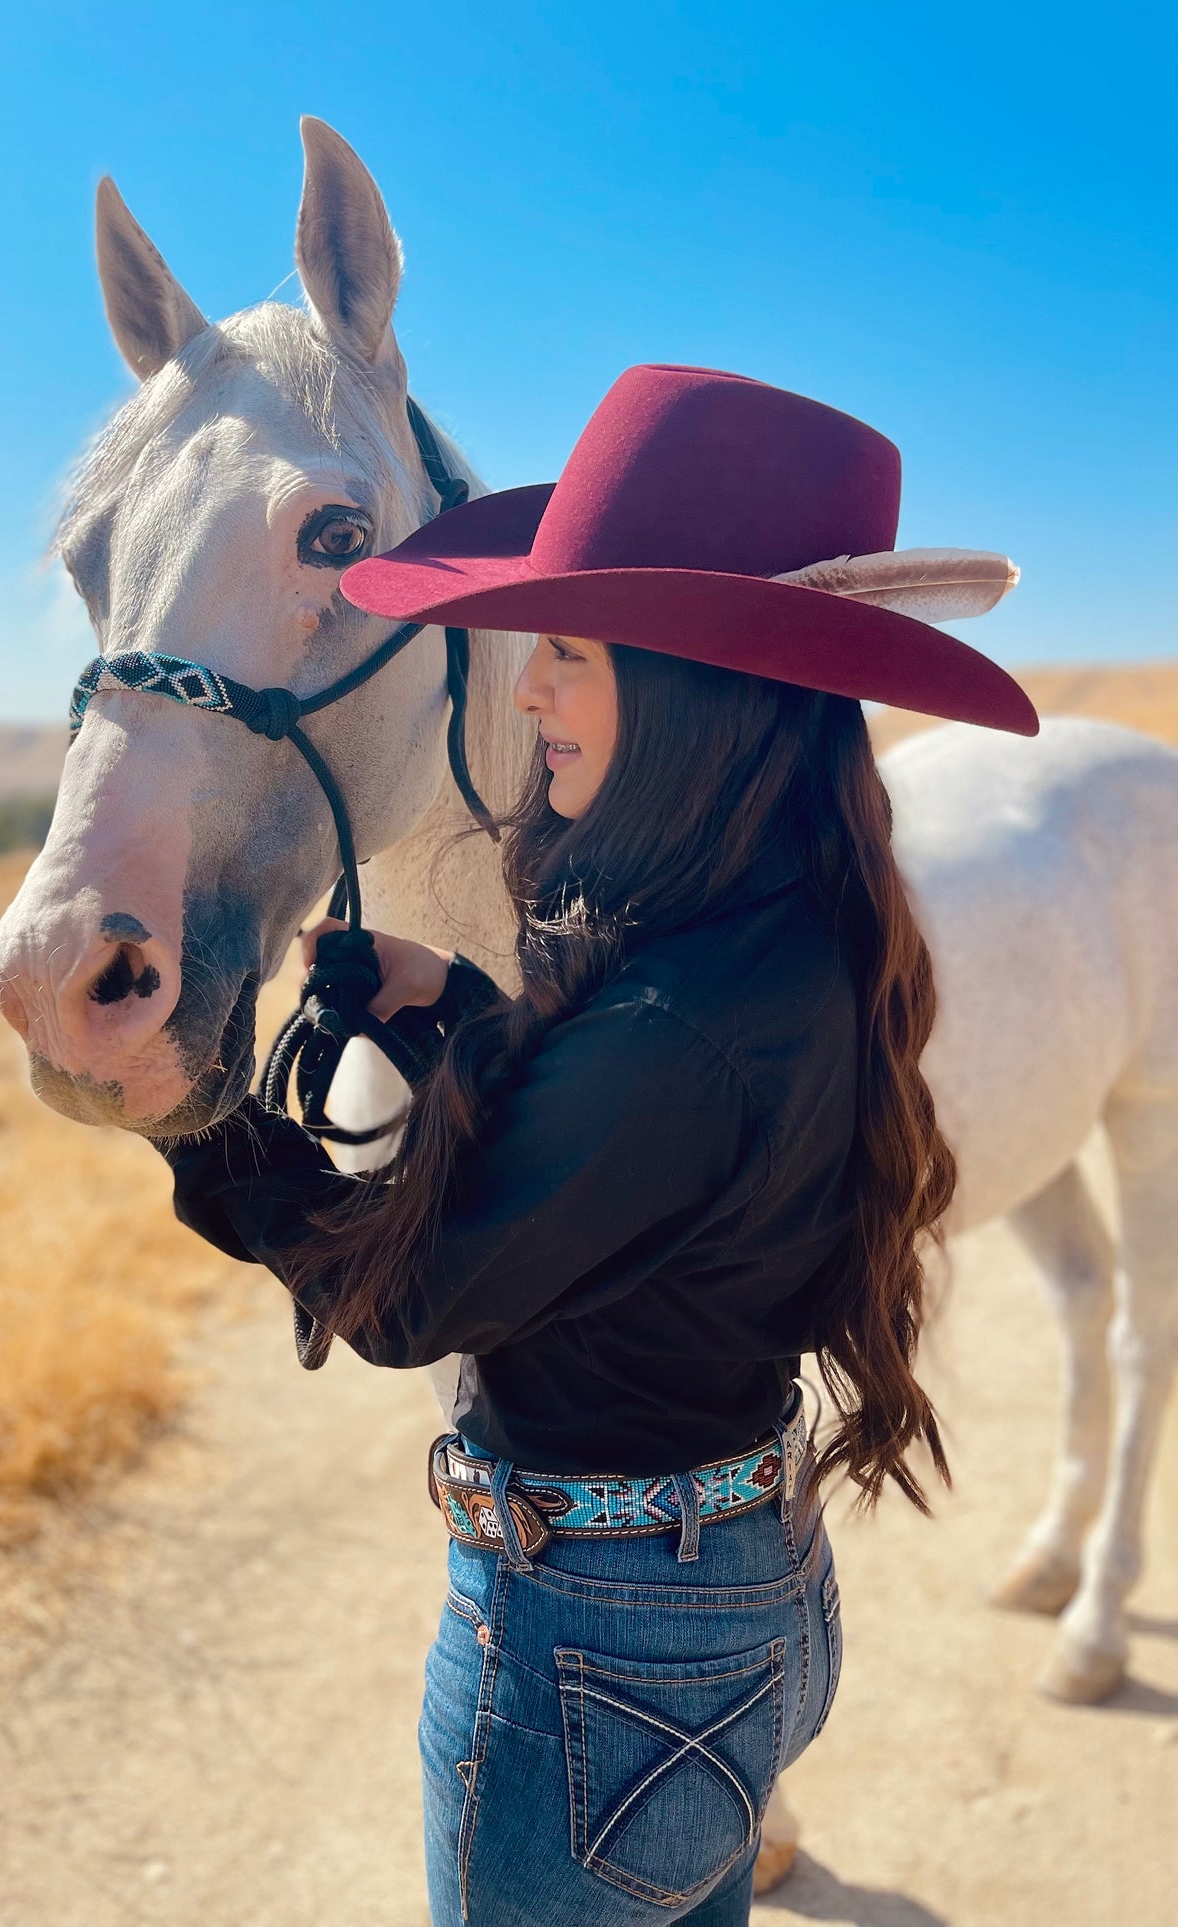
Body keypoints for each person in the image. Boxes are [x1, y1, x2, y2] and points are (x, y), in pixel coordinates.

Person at [157, 365, 1037, 1925]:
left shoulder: (672, 1026)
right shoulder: (775, 927)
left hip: (597, 1653)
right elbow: (637, 1173)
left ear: (690, 689)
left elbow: (409, 1300)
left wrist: (201, 1122)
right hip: (726, 1600)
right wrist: (451, 1013)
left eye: (563, 655)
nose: (532, 696)